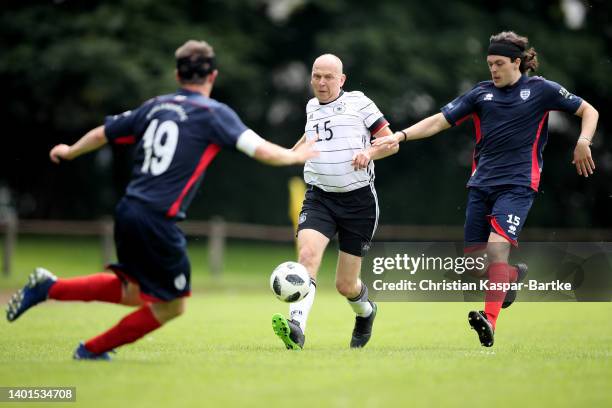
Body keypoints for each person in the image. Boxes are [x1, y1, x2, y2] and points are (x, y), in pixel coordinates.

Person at [5, 39, 317, 360]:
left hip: (129, 209)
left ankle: (48, 288)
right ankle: (90, 350)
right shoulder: (213, 114)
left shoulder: (155, 106)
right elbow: (262, 150)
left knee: (133, 292)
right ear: (213, 76)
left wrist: (70, 150)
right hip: (156, 218)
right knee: (172, 304)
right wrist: (296, 156)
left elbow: (103, 133)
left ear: (177, 75)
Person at [372, 31, 599, 347]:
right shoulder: (481, 94)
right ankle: (511, 277)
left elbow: (589, 110)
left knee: (496, 250)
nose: (493, 69)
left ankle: (489, 322)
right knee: (478, 266)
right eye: (490, 63)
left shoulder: (541, 90)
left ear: (517, 62)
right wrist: (400, 136)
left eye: (499, 63)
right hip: (480, 186)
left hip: (519, 185)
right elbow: (439, 120)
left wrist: (583, 141)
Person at [271, 54, 398, 350]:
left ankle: (366, 313)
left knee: (345, 286)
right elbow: (311, 134)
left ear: (342, 80)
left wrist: (370, 154)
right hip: (319, 197)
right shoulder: (311, 107)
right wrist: (289, 154)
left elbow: (390, 143)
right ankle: (296, 328)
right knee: (307, 259)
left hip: (358, 203)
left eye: (328, 77)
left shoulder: (360, 104)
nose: (321, 82)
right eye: (317, 76)